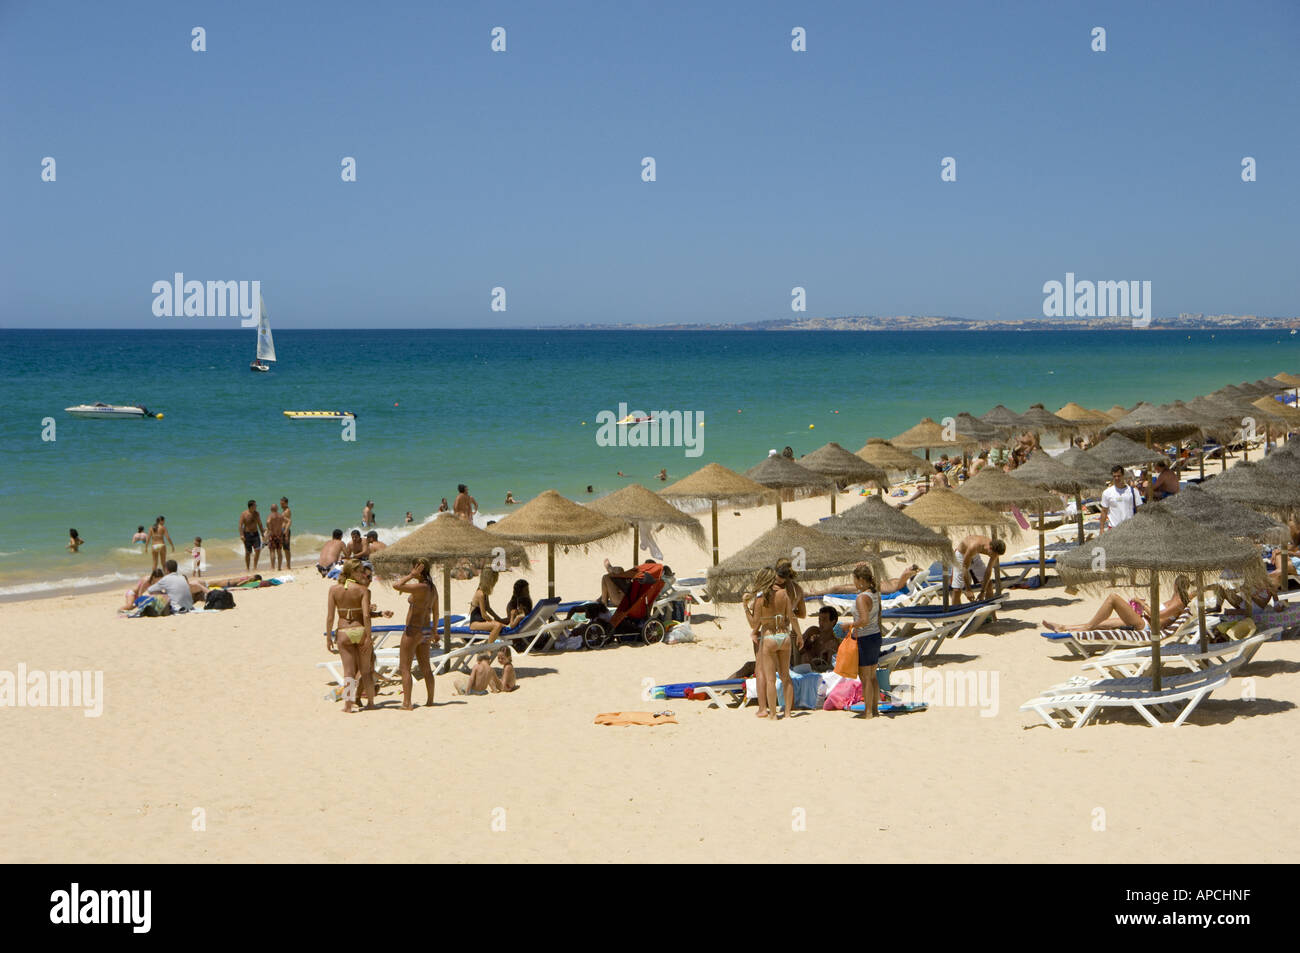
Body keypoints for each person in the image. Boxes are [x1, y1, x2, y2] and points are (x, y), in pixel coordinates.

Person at [1043, 576, 1191, 632]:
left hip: (1145, 627)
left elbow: (1157, 615)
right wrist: (1143, 608)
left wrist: (1140, 602)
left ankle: (1084, 628)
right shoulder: (1176, 600)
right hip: (1143, 620)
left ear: (1175, 586)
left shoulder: (1179, 603)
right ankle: (1063, 627)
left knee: (1113, 598)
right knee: (1101, 623)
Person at [749, 567, 801, 719]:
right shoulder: (783, 594)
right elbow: (792, 617)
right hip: (784, 635)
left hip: (769, 636)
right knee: (786, 677)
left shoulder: (760, 598)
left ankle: (772, 714)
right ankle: (788, 713)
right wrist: (799, 635)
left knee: (771, 679)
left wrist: (746, 608)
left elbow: (754, 624)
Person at [325, 560, 374, 712]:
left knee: (348, 671)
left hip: (343, 631)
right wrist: (369, 636)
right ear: (352, 572)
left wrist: (328, 636)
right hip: (359, 630)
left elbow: (330, 617)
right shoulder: (362, 590)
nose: (363, 574)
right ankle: (371, 703)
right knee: (366, 670)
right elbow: (366, 615)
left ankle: (348, 705)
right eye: (359, 571)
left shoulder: (334, 589)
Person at [392, 558, 438, 709]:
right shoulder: (432, 589)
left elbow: (396, 585)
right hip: (426, 630)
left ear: (418, 568)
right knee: (426, 668)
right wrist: (435, 630)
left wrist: (411, 575)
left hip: (413, 629)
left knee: (405, 668)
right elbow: (436, 612)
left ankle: (407, 703)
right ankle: (430, 701)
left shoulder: (420, 587)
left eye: (414, 567)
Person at [843, 563, 882, 718]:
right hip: (875, 635)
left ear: (860, 579)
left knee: (865, 677)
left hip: (865, 637)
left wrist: (849, 625)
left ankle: (868, 712)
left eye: (854, 579)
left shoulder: (861, 598)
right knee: (872, 675)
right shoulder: (874, 593)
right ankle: (875, 710)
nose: (853, 582)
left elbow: (864, 620)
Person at [951, 535, 1005, 605]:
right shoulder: (974, 546)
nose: (994, 557)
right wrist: (968, 589)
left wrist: (983, 592)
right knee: (957, 590)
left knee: (989, 585)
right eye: (993, 555)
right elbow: (964, 568)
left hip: (975, 555)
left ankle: (991, 614)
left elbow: (988, 571)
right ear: (990, 548)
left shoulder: (995, 549)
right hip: (961, 555)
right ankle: (956, 614)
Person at [801, 605, 844, 671]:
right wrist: (808, 642)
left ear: (833, 622)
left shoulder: (833, 644)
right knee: (805, 656)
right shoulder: (812, 631)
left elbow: (831, 668)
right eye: (819, 619)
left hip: (820, 674)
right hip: (803, 669)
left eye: (824, 620)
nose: (820, 623)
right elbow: (798, 649)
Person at [468, 566, 505, 641]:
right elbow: (484, 615)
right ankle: (489, 649)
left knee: (500, 623)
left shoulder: (484, 593)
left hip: (481, 622)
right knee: (498, 626)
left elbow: (488, 608)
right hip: (475, 624)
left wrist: (498, 618)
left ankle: (488, 644)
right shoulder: (480, 594)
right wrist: (495, 621)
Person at [1100, 465, 1142, 532]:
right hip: (1113, 529)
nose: (1117, 478)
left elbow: (1139, 510)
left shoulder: (1133, 492)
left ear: (1123, 475)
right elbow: (1104, 511)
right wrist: (1101, 529)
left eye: (1119, 476)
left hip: (1130, 529)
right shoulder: (1107, 493)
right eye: (1114, 476)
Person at [238, 500, 265, 571]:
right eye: (255, 505)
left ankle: (255, 566)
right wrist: (241, 535)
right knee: (248, 552)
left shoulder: (257, 514)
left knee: (258, 550)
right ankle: (247, 568)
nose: (256, 507)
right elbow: (240, 525)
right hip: (247, 534)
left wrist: (262, 533)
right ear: (251, 506)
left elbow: (260, 523)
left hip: (255, 534)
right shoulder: (244, 514)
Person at [265, 504, 286, 571]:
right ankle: (279, 567)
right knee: (279, 551)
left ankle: (272, 567)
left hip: (273, 534)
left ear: (271, 509)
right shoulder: (280, 516)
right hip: (279, 534)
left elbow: (268, 522)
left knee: (272, 551)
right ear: (277, 509)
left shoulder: (270, 516)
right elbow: (286, 522)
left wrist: (269, 529)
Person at [279, 497, 293, 569]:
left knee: (286, 548)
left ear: (286, 503)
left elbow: (289, 522)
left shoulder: (287, 511)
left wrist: (286, 532)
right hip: (282, 530)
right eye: (281, 503)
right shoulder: (283, 511)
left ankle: (288, 565)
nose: (281, 505)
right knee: (284, 548)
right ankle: (287, 565)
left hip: (285, 530)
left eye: (282, 503)